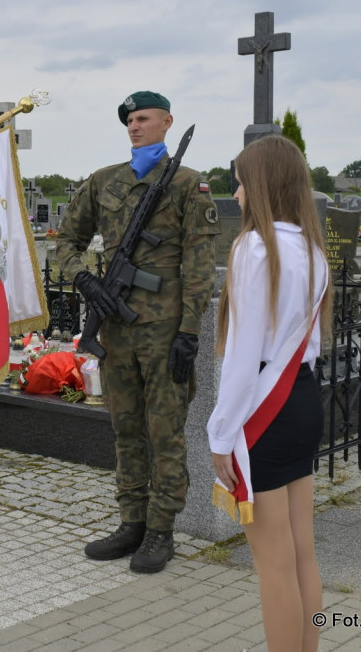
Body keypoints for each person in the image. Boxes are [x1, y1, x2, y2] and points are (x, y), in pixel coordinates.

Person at [56, 91, 220, 573]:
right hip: (118, 330)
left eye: (143, 118)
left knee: (164, 432)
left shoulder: (189, 185)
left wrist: (189, 332)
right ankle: (131, 521)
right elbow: (67, 240)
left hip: (165, 330)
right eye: (129, 119)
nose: (134, 126)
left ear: (167, 122)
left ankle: (160, 530)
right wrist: (84, 278)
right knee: (125, 429)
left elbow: (198, 264)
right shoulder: (103, 182)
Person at [207, 134, 333, 652]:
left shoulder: (254, 247)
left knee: (273, 566)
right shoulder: (311, 247)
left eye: (239, 182)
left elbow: (241, 357)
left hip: (264, 405)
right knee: (302, 552)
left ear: (259, 185)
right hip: (301, 398)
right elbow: (309, 344)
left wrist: (220, 433)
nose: (235, 193)